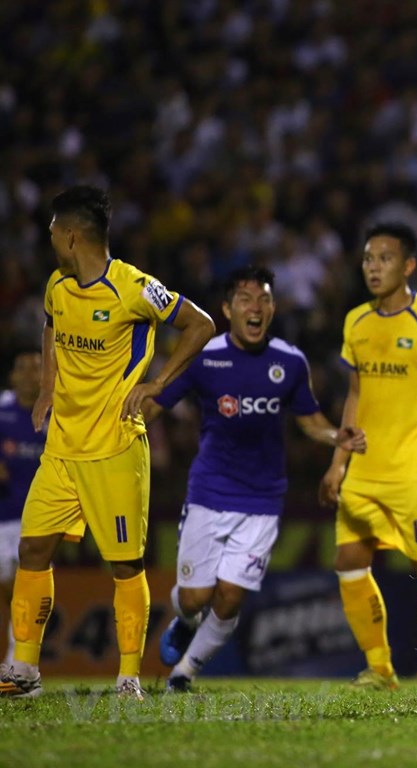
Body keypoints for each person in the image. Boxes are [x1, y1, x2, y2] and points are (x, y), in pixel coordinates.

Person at [0, 185, 215, 699]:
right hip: (62, 449)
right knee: (32, 549)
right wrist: (48, 387)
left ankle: (127, 678)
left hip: (115, 448)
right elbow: (51, 329)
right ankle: (24, 671)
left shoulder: (133, 287)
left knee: (124, 564)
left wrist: (159, 382)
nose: (49, 239)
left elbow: (200, 324)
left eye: (53, 231)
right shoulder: (57, 286)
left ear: (72, 236)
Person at [146, 265, 367, 692]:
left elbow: (309, 420)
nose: (256, 307)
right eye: (246, 299)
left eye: (264, 299)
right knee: (196, 598)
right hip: (209, 492)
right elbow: (158, 404)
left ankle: (183, 674)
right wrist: (124, 424)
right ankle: (184, 620)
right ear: (228, 309)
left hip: (263, 500)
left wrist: (334, 435)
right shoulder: (203, 358)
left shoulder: (289, 361)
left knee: (229, 597)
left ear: (273, 308)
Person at [320, 222, 417, 690]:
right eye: (368, 258)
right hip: (364, 470)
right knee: (349, 561)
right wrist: (338, 461)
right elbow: (355, 392)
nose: (374, 267)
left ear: (408, 266)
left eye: (384, 259)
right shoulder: (356, 322)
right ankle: (380, 668)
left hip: (416, 469)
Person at [0, 348, 45, 668]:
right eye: (23, 368)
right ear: (12, 375)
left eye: (36, 368)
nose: (30, 375)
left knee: (23, 586)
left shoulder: (56, 413)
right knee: (9, 588)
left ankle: (19, 660)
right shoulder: (1, 409)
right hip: (3, 515)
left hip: (40, 518)